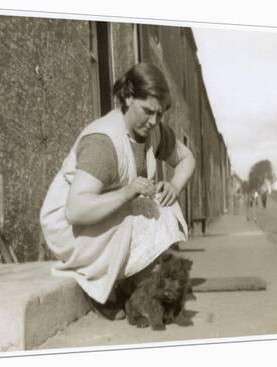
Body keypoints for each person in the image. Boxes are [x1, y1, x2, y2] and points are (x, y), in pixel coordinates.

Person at [40, 63, 196, 320]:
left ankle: (130, 286)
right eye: (148, 111)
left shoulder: (151, 131)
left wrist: (175, 186)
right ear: (127, 98)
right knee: (142, 207)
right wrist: (127, 193)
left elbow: (187, 158)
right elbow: (75, 210)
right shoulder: (103, 143)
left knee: (164, 202)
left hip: (102, 218)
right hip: (70, 230)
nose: (154, 121)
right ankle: (103, 289)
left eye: (159, 114)